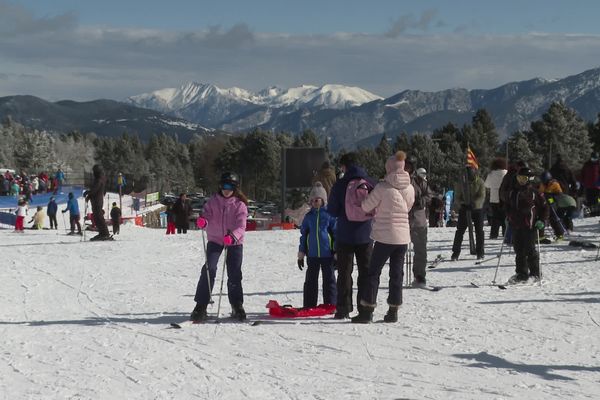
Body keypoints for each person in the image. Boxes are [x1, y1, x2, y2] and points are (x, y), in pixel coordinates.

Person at [351, 151, 415, 323]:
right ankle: (393, 311)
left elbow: (366, 206)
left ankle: (367, 310)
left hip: (385, 236)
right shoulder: (410, 188)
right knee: (397, 274)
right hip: (403, 237)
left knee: (373, 273)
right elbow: (407, 208)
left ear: (389, 168)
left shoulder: (382, 187)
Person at [191, 172, 249, 322]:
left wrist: (233, 236)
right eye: (224, 186)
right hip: (216, 239)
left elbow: (241, 225)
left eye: (230, 186)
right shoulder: (212, 202)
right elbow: (206, 215)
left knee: (234, 272)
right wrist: (203, 221)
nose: (226, 189)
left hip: (234, 242)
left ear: (235, 188)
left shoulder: (240, 205)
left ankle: (237, 304)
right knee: (209, 268)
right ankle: (201, 305)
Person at [327, 152, 375, 319]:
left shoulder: (340, 184)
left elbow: (331, 211)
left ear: (344, 166)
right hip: (366, 234)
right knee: (365, 272)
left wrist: (344, 213)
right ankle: (364, 307)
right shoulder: (370, 183)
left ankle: (343, 308)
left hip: (345, 234)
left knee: (344, 272)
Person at [297, 182, 337, 308]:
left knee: (329, 280)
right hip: (312, 254)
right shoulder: (309, 217)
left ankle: (330, 303)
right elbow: (304, 236)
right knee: (310, 280)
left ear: (323, 200)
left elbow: (335, 234)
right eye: (313, 200)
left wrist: (336, 252)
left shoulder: (329, 216)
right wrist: (301, 254)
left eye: (317, 199)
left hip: (327, 254)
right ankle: (309, 304)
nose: (315, 202)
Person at [505, 167, 548, 283]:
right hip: (516, 225)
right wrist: (508, 215)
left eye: (524, 178)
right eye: (519, 178)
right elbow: (508, 206)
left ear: (529, 179)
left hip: (530, 225)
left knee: (530, 250)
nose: (521, 181)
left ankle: (535, 273)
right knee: (519, 250)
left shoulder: (534, 192)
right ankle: (521, 273)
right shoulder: (513, 192)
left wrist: (542, 221)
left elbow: (545, 208)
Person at [451, 165, 486, 260]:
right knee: (460, 231)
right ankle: (455, 252)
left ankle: (480, 252)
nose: (469, 174)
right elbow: (457, 197)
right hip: (465, 209)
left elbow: (482, 196)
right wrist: (462, 204)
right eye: (467, 172)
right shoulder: (460, 183)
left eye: (471, 171)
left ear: (475, 171)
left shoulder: (480, 182)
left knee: (479, 231)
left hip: (477, 209)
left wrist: (474, 204)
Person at [407, 166, 432, 287]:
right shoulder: (394, 180)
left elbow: (429, 195)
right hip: (400, 219)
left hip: (418, 219)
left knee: (420, 249)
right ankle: (396, 276)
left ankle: (420, 276)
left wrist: (420, 201)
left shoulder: (420, 181)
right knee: (397, 251)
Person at [538, 171, 566, 241]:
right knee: (542, 218)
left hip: (552, 202)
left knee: (553, 218)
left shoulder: (554, 184)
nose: (544, 182)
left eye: (545, 180)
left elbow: (560, 195)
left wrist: (550, 197)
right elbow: (540, 192)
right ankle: (540, 235)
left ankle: (560, 234)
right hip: (544, 202)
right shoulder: (542, 184)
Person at [85, 165, 111, 240]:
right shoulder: (98, 179)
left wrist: (88, 192)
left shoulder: (99, 179)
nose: (93, 173)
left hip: (97, 201)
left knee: (99, 217)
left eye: (94, 171)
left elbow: (94, 189)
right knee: (96, 217)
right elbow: (94, 191)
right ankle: (102, 233)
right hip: (95, 200)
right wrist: (89, 196)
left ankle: (105, 233)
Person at [484, 158, 508, 239]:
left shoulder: (491, 174)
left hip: (494, 198)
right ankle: (505, 233)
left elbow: (486, 185)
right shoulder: (506, 173)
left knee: (495, 217)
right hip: (504, 198)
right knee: (505, 216)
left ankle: (494, 234)